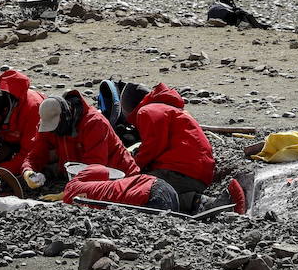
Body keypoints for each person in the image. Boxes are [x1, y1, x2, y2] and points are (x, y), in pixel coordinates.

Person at [122, 82, 216, 211]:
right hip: (198, 174)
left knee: (137, 190)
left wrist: (132, 168)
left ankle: (196, 202)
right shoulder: (172, 109)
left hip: (180, 171)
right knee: (158, 193)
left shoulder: (147, 111)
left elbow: (153, 146)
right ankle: (195, 201)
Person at [20, 90, 139, 189]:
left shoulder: (94, 123)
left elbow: (95, 167)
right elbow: (36, 152)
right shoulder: (50, 123)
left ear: (66, 116)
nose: (53, 131)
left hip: (122, 177)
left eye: (55, 127)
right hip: (80, 177)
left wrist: (70, 191)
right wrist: (28, 171)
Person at [62, 164, 179, 212]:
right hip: (155, 186)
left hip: (147, 193)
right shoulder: (77, 184)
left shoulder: (74, 189)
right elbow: (102, 170)